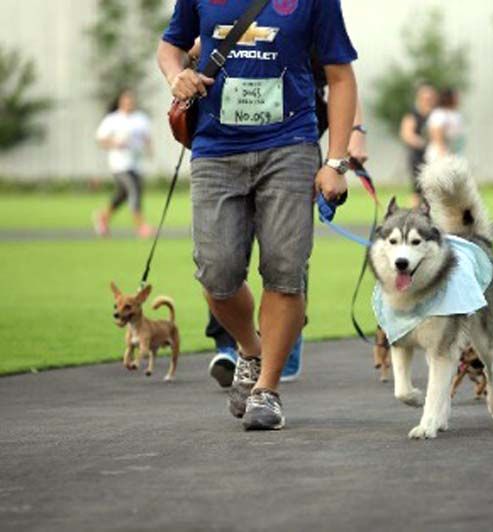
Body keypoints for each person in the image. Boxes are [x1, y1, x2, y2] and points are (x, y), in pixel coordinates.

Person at [158, 0, 358, 430]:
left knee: (285, 269)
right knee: (217, 272)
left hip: (290, 145)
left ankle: (266, 389)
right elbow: (170, 46)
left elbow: (340, 77)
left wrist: (336, 162)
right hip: (215, 150)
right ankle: (250, 348)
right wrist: (178, 76)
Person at [203, 45, 369, 389]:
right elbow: (190, 48)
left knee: (287, 255)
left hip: (295, 142)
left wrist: (354, 136)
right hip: (228, 146)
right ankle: (231, 347)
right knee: (224, 258)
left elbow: (342, 76)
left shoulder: (306, 16)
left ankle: (286, 353)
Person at [93, 89, 154, 238]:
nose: (129, 103)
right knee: (133, 190)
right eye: (126, 100)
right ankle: (141, 226)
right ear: (120, 102)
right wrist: (115, 143)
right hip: (119, 164)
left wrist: (149, 150)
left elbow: (147, 138)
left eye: (131, 100)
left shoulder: (141, 118)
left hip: (136, 163)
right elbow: (101, 139)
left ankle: (103, 217)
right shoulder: (113, 119)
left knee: (122, 195)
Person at [400, 83, 438, 204]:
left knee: (435, 189)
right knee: (418, 190)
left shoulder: (437, 115)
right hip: (418, 156)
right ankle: (414, 217)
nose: (428, 101)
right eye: (426, 98)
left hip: (435, 156)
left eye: (431, 98)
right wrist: (425, 144)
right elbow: (407, 134)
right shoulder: (413, 115)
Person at [425, 87, 465, 164]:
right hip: (440, 150)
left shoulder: (455, 114)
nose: (458, 99)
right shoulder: (439, 113)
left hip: (453, 149)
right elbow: (436, 131)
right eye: (455, 96)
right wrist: (441, 150)